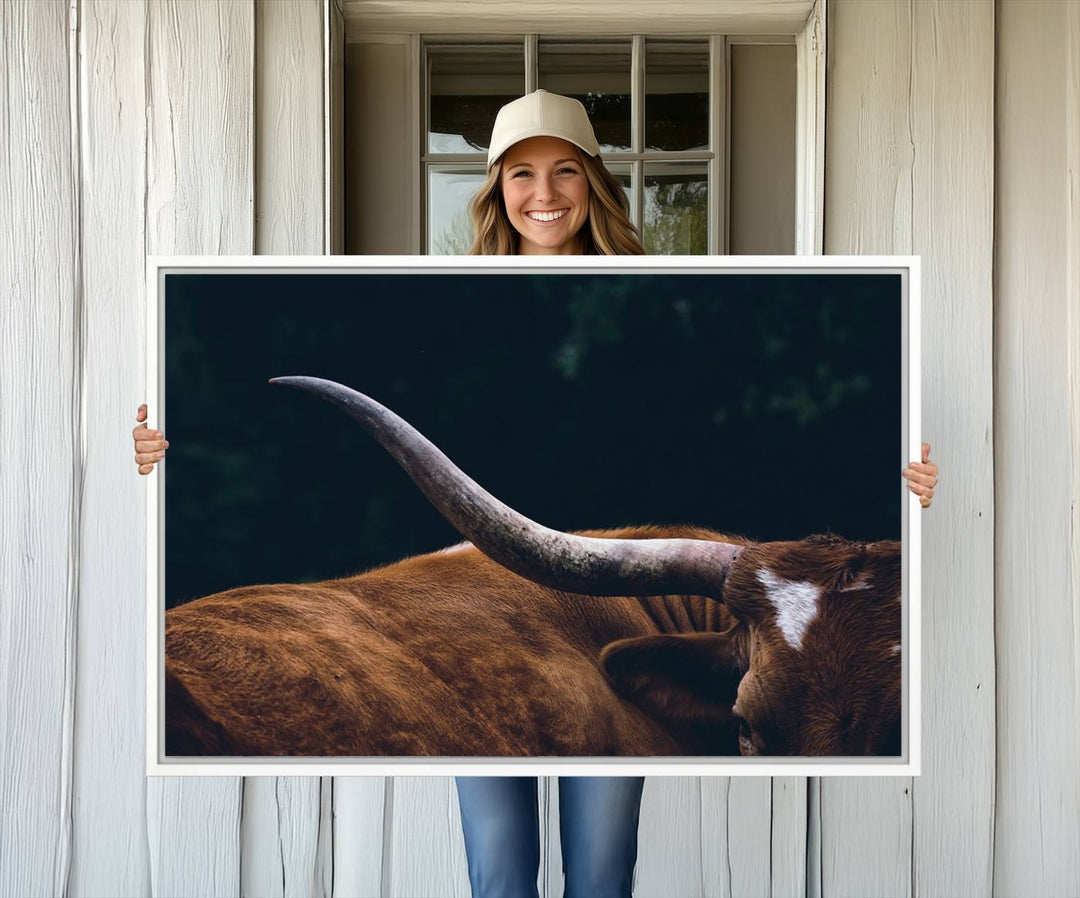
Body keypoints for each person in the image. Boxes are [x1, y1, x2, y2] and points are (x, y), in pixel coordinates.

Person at [132, 89, 939, 898]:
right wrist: (144, 457)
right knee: (502, 874)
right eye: (521, 174)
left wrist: (926, 491)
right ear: (495, 190)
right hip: (501, 603)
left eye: (565, 172)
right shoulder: (440, 295)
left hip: (597, 600)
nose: (544, 194)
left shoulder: (668, 290)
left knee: (599, 874)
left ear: (595, 182)